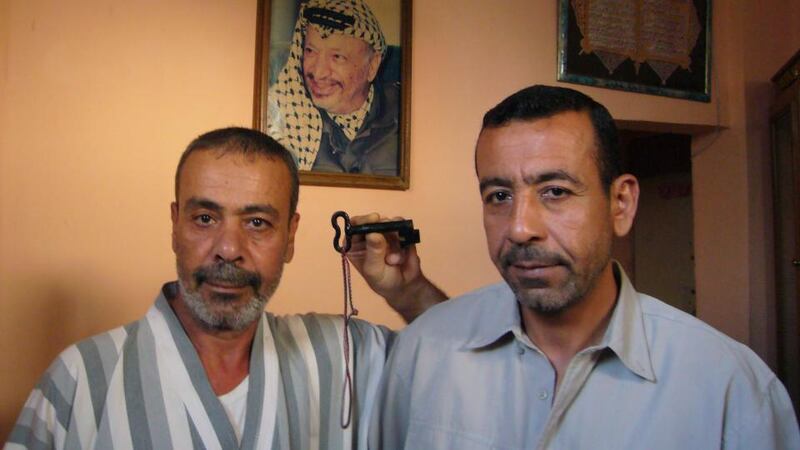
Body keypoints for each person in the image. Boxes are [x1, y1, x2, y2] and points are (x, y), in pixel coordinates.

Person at [368, 85, 800, 449]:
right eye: (499, 196)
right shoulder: (422, 355)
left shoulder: (731, 390)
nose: (520, 229)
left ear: (621, 204)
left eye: (555, 192)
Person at [4, 127, 440, 450]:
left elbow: (461, 375)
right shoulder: (80, 380)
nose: (229, 249)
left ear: (290, 237)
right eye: (205, 219)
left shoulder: (344, 356)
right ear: (175, 225)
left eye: (257, 223)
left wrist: (409, 292)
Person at [267, 0, 400, 175]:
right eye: (310, 51)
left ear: (373, 66)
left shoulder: (404, 114)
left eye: (337, 57)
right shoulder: (285, 116)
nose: (319, 72)